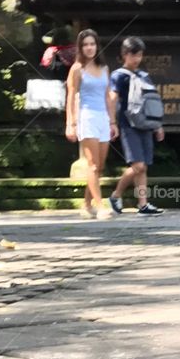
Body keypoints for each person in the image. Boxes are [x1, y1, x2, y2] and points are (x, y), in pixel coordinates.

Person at [108, 37, 165, 216]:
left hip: (146, 124)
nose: (136, 59)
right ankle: (116, 194)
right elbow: (112, 98)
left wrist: (158, 125)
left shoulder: (144, 76)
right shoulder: (118, 75)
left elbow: (151, 103)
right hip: (128, 125)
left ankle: (143, 204)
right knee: (138, 166)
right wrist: (112, 122)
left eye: (139, 55)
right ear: (124, 55)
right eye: (133, 55)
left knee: (144, 166)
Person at [65, 29, 116, 220]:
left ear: (97, 46)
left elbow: (108, 96)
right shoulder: (77, 69)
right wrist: (71, 123)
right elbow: (71, 96)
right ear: (80, 47)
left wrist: (113, 121)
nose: (89, 48)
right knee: (93, 165)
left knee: (100, 166)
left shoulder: (104, 69)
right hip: (86, 117)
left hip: (103, 118)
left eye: (92, 44)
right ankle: (101, 206)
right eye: (85, 44)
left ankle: (86, 204)